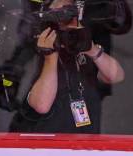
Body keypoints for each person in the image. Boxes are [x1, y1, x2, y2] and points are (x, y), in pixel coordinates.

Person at [9, 0, 124, 134]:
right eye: (59, 16)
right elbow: (42, 105)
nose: (66, 26)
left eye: (70, 14)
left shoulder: (91, 32)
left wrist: (90, 48)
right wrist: (50, 56)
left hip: (85, 138)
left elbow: (116, 76)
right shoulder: (41, 42)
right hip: (47, 136)